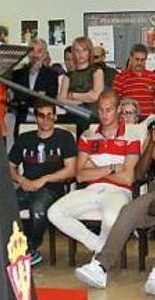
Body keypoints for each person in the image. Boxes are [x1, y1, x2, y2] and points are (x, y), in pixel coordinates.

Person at [74, 95, 155, 294]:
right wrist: (151, 143)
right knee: (129, 210)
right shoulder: (154, 137)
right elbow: (140, 174)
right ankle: (100, 266)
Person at [47, 91, 140, 254]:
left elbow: (127, 178)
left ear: (118, 109)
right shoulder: (88, 136)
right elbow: (80, 175)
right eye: (101, 110)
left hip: (118, 191)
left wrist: (94, 167)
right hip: (91, 190)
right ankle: (99, 248)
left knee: (111, 219)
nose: (104, 115)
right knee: (54, 213)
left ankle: (99, 260)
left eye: (109, 110)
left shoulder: (131, 136)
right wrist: (111, 167)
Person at [8, 100, 77, 266]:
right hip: (26, 186)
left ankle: (30, 250)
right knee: (6, 206)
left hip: (52, 189)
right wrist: (21, 179)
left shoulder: (65, 137)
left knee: (38, 208)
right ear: (36, 118)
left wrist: (44, 179)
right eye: (41, 116)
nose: (45, 119)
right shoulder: (25, 138)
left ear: (54, 117)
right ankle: (13, 247)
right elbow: (9, 167)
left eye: (49, 115)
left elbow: (71, 170)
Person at [11, 37, 59, 137]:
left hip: (44, 122)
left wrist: (26, 97)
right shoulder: (17, 74)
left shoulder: (52, 75)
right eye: (32, 51)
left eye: (39, 51)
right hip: (23, 120)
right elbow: (17, 98)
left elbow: (49, 99)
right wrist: (37, 95)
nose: (35, 55)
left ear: (45, 54)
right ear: (28, 53)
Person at [112, 43, 155, 118]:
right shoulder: (120, 78)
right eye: (137, 59)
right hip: (128, 121)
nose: (139, 63)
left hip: (150, 121)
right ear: (131, 58)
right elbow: (116, 102)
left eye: (142, 60)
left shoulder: (154, 78)